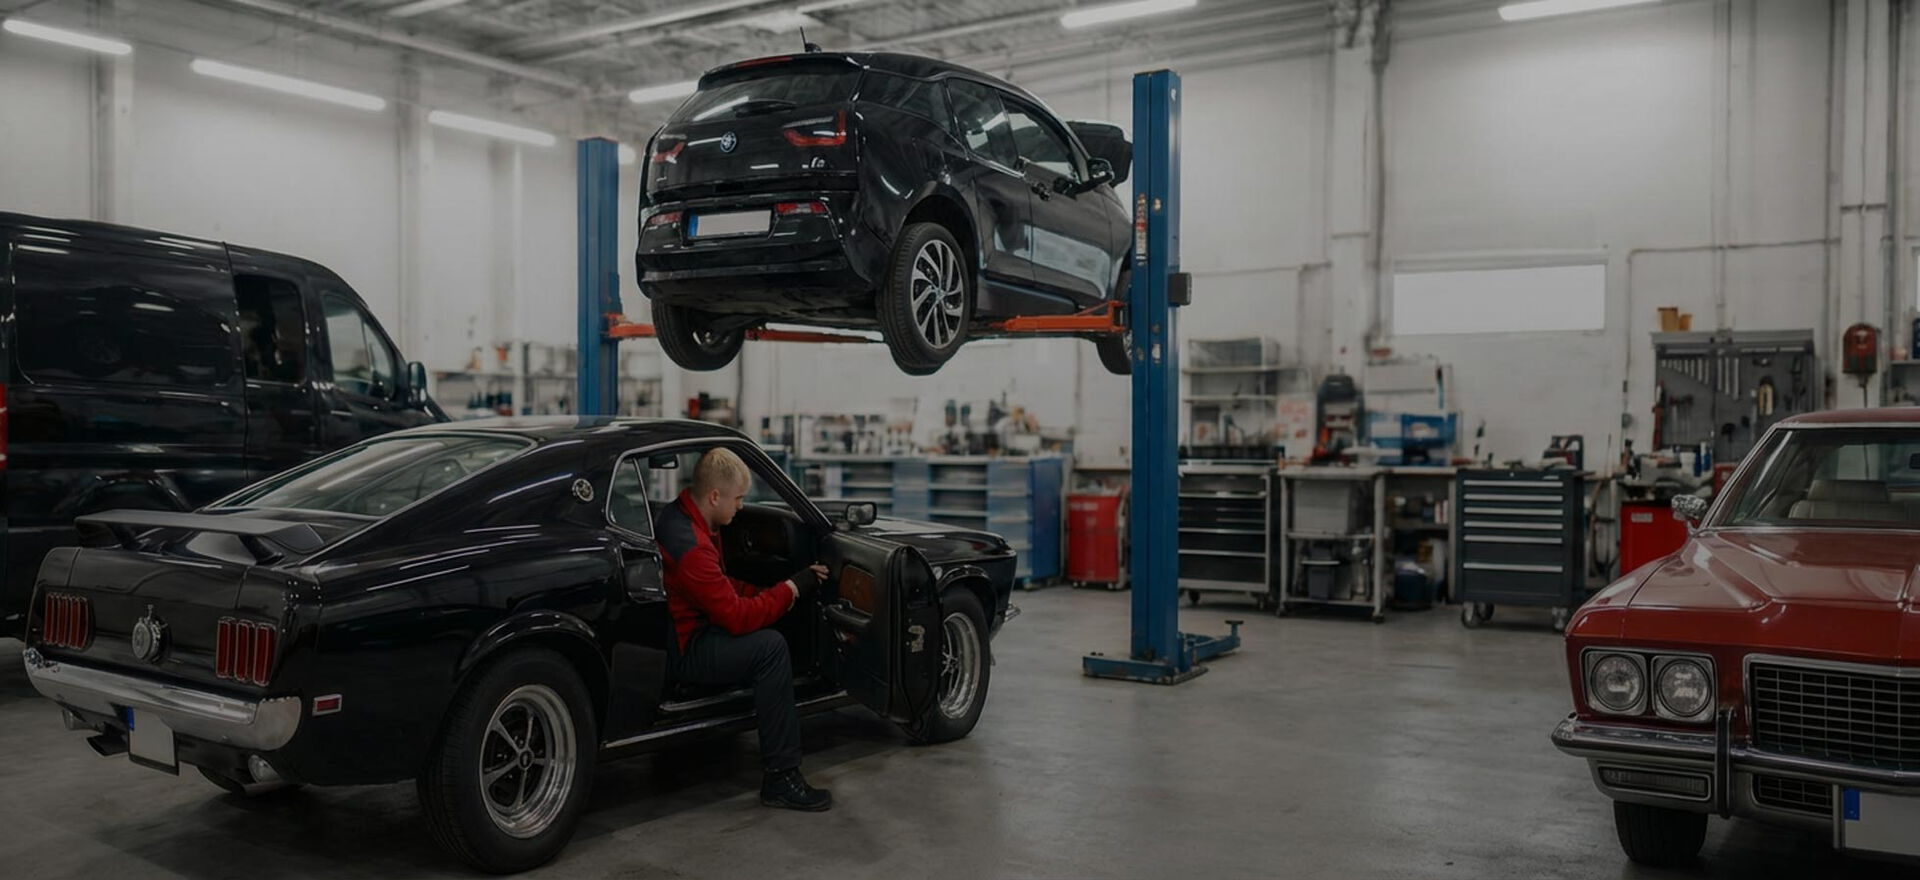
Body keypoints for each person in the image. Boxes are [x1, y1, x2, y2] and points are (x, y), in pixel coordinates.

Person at [656, 447, 834, 811]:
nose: (740, 507)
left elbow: (720, 587)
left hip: (681, 632)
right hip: (687, 650)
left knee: (767, 624)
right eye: (738, 499)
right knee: (770, 648)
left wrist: (772, 592)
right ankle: (782, 778)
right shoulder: (693, 547)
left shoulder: (684, 517)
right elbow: (736, 618)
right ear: (715, 496)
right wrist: (792, 589)